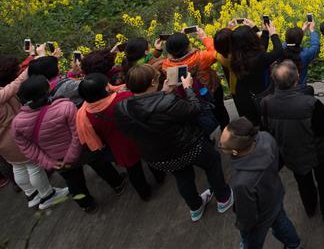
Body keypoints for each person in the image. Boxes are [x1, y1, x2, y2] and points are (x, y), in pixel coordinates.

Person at [115, 64, 233, 221]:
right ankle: (223, 198)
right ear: (152, 83)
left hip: (158, 156)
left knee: (183, 176)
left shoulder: (122, 107)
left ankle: (195, 207)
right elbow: (194, 109)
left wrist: (163, 94)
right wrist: (188, 88)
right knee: (212, 162)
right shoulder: (167, 101)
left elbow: (148, 113)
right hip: (188, 147)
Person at [13, 75, 126, 213]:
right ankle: (117, 184)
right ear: (46, 90)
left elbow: (26, 147)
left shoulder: (18, 122)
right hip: (83, 150)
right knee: (101, 165)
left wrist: (48, 162)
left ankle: (87, 205)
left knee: (74, 182)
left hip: (57, 160)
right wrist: (72, 155)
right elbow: (77, 133)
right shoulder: (65, 106)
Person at [262, 61, 324, 222]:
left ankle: (310, 207)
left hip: (289, 152)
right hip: (316, 151)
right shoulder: (310, 103)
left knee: (303, 181)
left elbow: (267, 128)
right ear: (297, 78)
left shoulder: (265, 103)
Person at [0, 53, 68, 209]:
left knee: (18, 166)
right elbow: (17, 83)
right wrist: (36, 60)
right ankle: (48, 195)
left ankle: (32, 194)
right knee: (34, 166)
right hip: (13, 138)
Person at [76, 73, 165, 201]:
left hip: (119, 146)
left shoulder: (84, 115)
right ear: (106, 88)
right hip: (139, 137)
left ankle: (144, 194)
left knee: (134, 171)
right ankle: (160, 177)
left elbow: (96, 138)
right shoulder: (125, 97)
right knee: (151, 159)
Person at [219, 118, 302, 249]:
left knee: (251, 243)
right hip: (275, 194)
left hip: (260, 218)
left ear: (235, 152)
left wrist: (244, 228)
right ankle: (294, 246)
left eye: (221, 145)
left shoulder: (242, 182)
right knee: (282, 223)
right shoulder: (266, 138)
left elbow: (247, 217)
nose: (220, 145)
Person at [162, 27, 230, 130]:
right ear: (188, 46)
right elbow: (215, 52)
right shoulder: (201, 57)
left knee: (197, 118)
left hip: (188, 96)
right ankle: (225, 129)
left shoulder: (166, 66)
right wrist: (204, 37)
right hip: (210, 90)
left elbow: (176, 54)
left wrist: (178, 41)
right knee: (219, 110)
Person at [228, 20, 286, 125]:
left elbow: (260, 50)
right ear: (252, 39)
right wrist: (274, 34)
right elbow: (278, 51)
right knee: (266, 120)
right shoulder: (258, 58)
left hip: (246, 96)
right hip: (262, 94)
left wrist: (265, 32)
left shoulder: (235, 57)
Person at [283, 20, 321, 86]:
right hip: (300, 88)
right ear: (299, 40)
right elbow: (315, 47)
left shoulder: (281, 50)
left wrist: (301, 31)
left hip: (283, 87)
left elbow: (289, 42)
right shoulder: (305, 54)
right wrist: (312, 30)